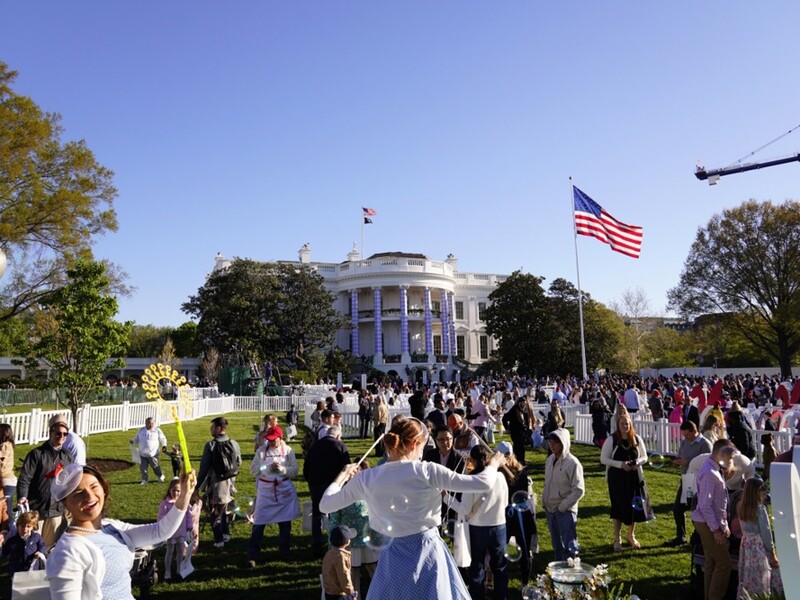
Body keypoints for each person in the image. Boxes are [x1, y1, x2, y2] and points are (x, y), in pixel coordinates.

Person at [320, 417, 506, 600]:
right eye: (422, 447)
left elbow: (325, 504)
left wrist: (342, 476)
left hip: (392, 554)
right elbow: (483, 482)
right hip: (428, 551)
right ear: (414, 444)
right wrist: (494, 463)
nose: (421, 453)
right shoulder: (427, 471)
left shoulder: (367, 478)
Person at [46, 463, 197, 600]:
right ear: (65, 503)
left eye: (94, 486)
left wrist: (185, 494)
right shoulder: (66, 552)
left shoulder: (112, 527)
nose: (89, 496)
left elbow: (160, 531)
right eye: (78, 493)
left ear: (103, 488)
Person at [447, 444, 509, 600]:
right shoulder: (501, 476)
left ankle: (477, 597)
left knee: (477, 568)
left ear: (472, 461)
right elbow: (506, 503)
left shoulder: (471, 480)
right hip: (499, 527)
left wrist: (445, 497)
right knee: (500, 567)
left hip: (478, 529)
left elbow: (464, 509)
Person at [17, 414, 74, 547]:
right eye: (58, 433)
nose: (62, 437)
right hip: (37, 508)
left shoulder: (67, 457)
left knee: (48, 546)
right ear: (51, 432)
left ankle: (45, 567)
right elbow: (25, 478)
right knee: (31, 544)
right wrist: (22, 497)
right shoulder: (36, 454)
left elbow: (70, 482)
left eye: (65, 434)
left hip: (56, 510)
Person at [247, 425, 300, 565]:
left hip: (283, 490)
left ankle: (284, 551)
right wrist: (267, 468)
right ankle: (253, 554)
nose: (270, 442)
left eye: (273, 440)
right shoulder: (261, 452)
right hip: (266, 492)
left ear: (280, 438)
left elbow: (294, 471)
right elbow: (253, 470)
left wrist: (282, 469)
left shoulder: (288, 451)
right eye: (268, 440)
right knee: (258, 522)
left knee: (285, 523)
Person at [691, 439, 737, 600]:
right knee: (724, 564)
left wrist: (723, 525)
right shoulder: (710, 473)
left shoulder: (714, 469)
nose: (731, 462)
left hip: (711, 522)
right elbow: (704, 505)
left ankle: (708, 596)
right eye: (730, 458)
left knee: (711, 562)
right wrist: (716, 530)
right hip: (707, 524)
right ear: (722, 454)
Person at [600, 413, 647, 551]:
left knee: (634, 507)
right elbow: (603, 459)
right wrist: (621, 464)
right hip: (618, 479)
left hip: (634, 477)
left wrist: (637, 462)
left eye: (627, 423)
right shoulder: (612, 439)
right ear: (618, 425)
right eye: (622, 424)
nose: (625, 426)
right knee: (618, 507)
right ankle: (617, 538)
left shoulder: (636, 438)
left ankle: (631, 535)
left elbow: (644, 456)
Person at [304, 424, 351, 558]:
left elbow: (306, 466)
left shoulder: (315, 446)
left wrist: (310, 481)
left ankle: (317, 545)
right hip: (333, 484)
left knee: (317, 514)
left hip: (316, 484)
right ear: (338, 435)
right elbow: (346, 468)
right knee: (334, 515)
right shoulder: (340, 446)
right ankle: (335, 543)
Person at [197, 416, 242, 549]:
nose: (211, 430)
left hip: (216, 484)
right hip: (230, 483)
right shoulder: (234, 443)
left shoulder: (211, 445)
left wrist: (198, 486)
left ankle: (219, 540)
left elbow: (204, 467)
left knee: (214, 511)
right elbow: (238, 462)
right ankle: (226, 534)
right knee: (226, 509)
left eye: (212, 427)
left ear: (218, 428)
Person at [542, 429, 584, 561]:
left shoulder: (573, 463)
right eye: (550, 442)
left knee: (569, 545)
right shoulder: (550, 460)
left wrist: (562, 507)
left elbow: (579, 489)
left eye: (556, 442)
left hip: (565, 511)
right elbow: (547, 483)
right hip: (550, 509)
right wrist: (544, 502)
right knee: (556, 545)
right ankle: (559, 571)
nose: (552, 445)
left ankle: (571, 572)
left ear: (564, 443)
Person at [737, 476, 782, 597]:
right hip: (759, 545)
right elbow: (766, 533)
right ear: (756, 492)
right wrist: (772, 554)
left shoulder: (740, 507)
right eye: (762, 489)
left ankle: (748, 595)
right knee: (764, 573)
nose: (765, 492)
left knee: (748, 573)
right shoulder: (760, 509)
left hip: (746, 544)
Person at [668, 420, 712, 546]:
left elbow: (707, 464)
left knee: (696, 511)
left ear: (695, 431)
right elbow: (681, 457)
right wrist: (677, 462)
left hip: (699, 483)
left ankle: (701, 537)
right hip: (686, 480)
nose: (685, 438)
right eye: (684, 435)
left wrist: (688, 462)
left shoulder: (705, 444)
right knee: (677, 509)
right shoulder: (684, 442)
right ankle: (681, 536)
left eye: (687, 435)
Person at [158, 477, 193, 581]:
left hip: (181, 531)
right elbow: (161, 517)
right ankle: (167, 571)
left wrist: (189, 526)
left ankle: (179, 568)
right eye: (174, 490)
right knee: (169, 551)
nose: (176, 493)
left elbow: (188, 515)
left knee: (180, 551)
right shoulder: (166, 503)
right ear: (170, 490)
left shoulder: (184, 502)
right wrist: (162, 528)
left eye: (178, 490)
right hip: (170, 533)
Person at [1, 509, 44, 575]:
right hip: (16, 572)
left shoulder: (36, 537)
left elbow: (42, 546)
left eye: (28, 526)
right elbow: (3, 553)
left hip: (32, 570)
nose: (25, 529)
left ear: (33, 527)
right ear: (17, 526)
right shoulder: (12, 541)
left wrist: (40, 552)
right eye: (22, 526)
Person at [321, 525, 355, 600]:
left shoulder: (329, 553)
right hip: (339, 594)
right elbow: (344, 578)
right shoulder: (341, 558)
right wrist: (351, 593)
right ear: (347, 541)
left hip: (329, 591)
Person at [130, 417, 167, 485]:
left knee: (155, 466)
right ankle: (145, 480)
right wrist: (133, 441)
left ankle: (160, 476)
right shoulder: (141, 430)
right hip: (142, 453)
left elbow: (163, 438)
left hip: (153, 453)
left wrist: (164, 445)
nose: (150, 425)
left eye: (152, 423)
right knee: (143, 468)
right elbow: (137, 438)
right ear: (145, 423)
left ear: (154, 423)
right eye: (148, 423)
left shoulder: (157, 430)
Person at [502, 396, 529, 465]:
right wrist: (507, 428)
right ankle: (518, 461)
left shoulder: (522, 410)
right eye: (522, 403)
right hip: (515, 431)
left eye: (524, 403)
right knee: (518, 447)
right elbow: (504, 418)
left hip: (521, 432)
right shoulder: (514, 410)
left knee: (520, 447)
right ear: (519, 403)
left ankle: (520, 461)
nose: (523, 404)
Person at [0, 423, 16, 509]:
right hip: (9, 481)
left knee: (5, 509)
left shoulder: (5, 445)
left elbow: (2, 462)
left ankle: (10, 523)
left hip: (6, 481)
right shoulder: (9, 445)